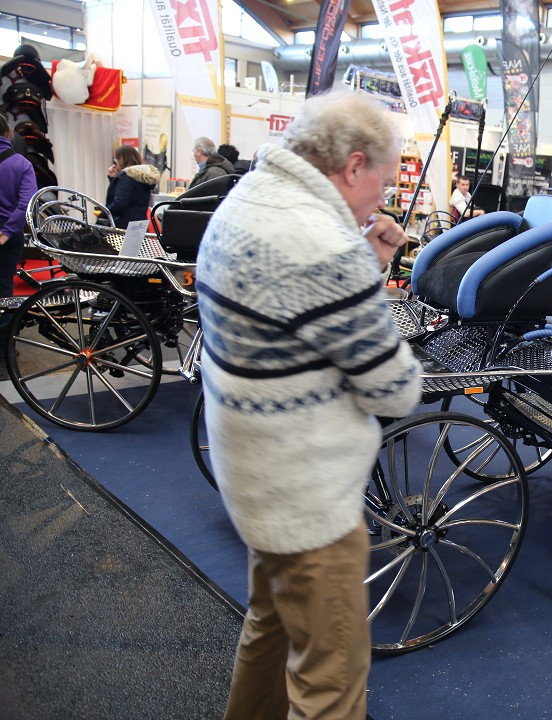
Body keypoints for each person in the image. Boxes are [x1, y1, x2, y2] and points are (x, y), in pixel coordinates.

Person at [196, 90, 421, 720]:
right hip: (310, 504)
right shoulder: (324, 246)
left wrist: (364, 263)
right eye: (383, 183)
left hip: (253, 482)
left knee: (268, 633)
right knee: (330, 686)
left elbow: (297, 320)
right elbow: (395, 389)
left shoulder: (245, 198)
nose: (383, 200)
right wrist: (363, 269)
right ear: (353, 165)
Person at [0, 114, 36, 299]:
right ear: (8, 134)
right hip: (9, 229)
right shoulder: (22, 164)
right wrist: (6, 232)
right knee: (4, 287)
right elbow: (27, 204)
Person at [105, 145, 160, 229]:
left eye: (117, 159)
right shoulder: (142, 176)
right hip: (140, 224)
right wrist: (114, 178)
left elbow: (119, 204)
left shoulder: (126, 176)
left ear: (123, 160)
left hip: (125, 226)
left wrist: (104, 212)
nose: (116, 163)